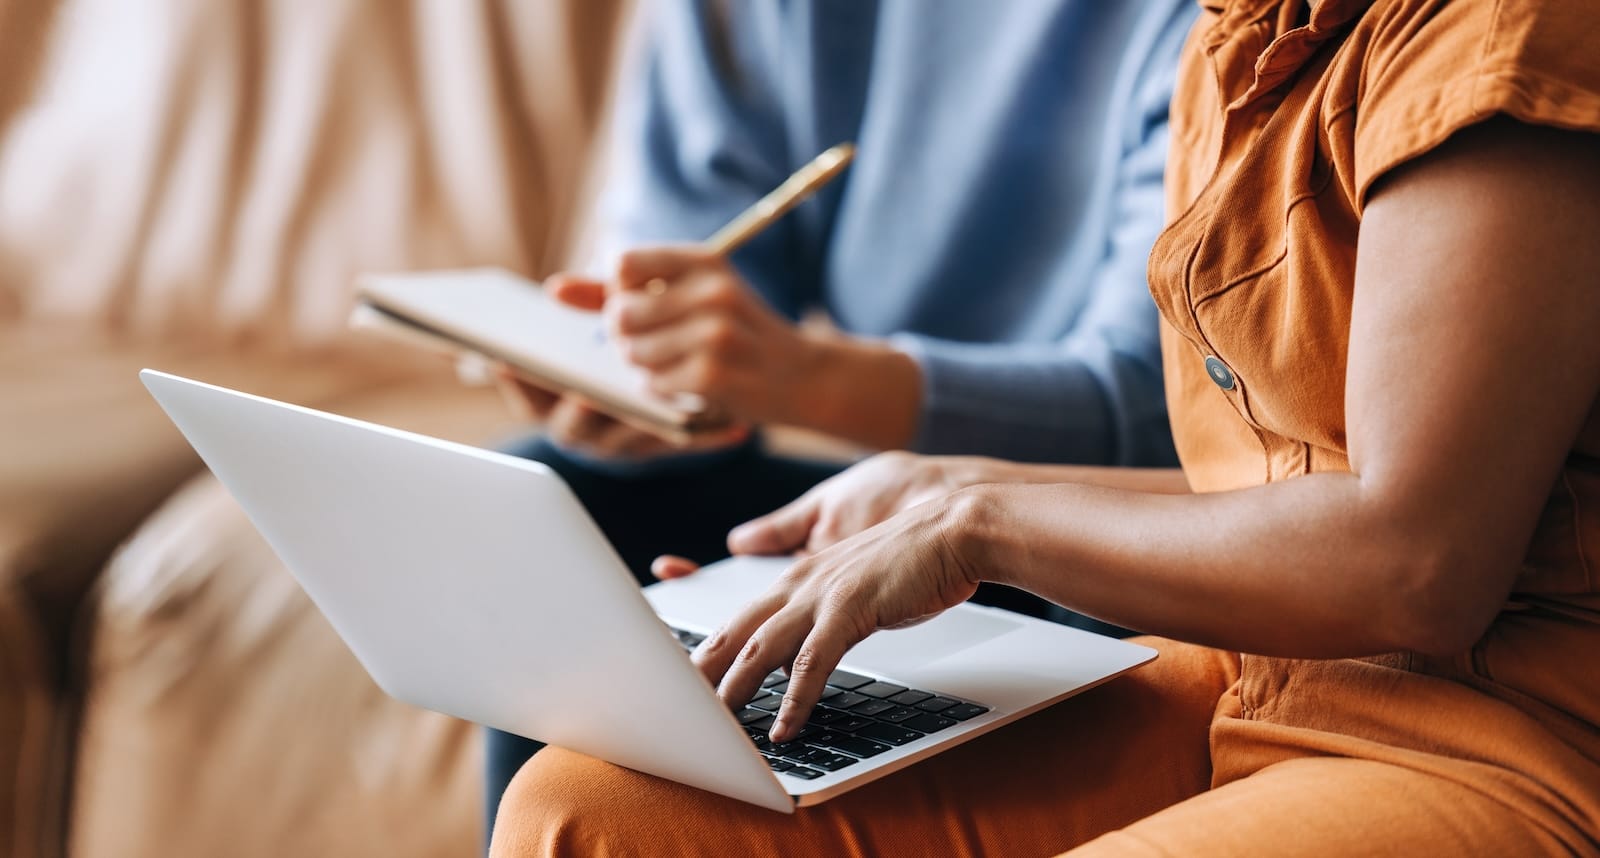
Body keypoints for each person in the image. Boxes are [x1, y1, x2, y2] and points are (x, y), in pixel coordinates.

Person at [487, 0, 1600, 854]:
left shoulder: (1500, 39)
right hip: (1246, 671)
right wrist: (939, 493)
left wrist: (985, 523)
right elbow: (1272, 476)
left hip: (1495, 730)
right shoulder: (1244, 38)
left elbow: (1419, 563)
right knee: (590, 810)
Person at [482, 0, 1200, 833]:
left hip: (1105, 524)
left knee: (1117, 604)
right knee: (562, 498)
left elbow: (1162, 409)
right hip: (899, 485)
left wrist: (805, 380)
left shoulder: (1212, 24)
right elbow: (687, 268)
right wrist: (646, 385)